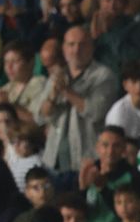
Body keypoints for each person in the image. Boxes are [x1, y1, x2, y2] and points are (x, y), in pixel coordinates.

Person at [37, 25, 120, 172]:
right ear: (64, 49)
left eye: (82, 45)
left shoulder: (104, 76)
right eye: (71, 45)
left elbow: (96, 112)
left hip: (87, 161)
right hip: (54, 161)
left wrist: (66, 91)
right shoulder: (57, 76)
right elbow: (40, 116)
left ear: (91, 48)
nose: (76, 50)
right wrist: (53, 96)